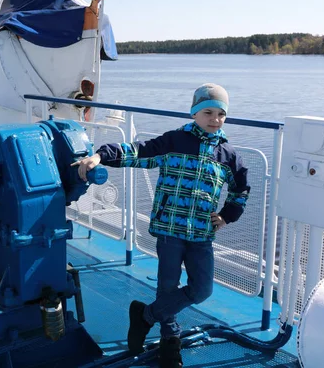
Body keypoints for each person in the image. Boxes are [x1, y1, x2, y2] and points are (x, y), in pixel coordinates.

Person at [71, 83, 249, 368]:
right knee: (167, 287)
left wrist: (228, 215)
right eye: (208, 112)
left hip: (202, 234)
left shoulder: (229, 156)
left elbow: (241, 191)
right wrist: (100, 155)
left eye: (221, 114)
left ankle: (145, 316)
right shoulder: (175, 142)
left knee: (202, 289)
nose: (215, 119)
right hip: (169, 229)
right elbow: (137, 152)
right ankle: (170, 340)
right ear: (194, 113)